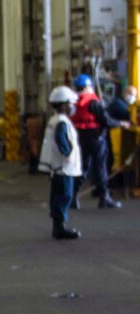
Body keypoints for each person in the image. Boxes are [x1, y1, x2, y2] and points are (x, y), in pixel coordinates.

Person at [71, 74, 130, 209]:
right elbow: (106, 120)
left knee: (83, 168)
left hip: (82, 138)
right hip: (97, 139)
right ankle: (104, 197)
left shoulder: (76, 103)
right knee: (101, 168)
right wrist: (121, 123)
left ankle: (73, 197)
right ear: (86, 87)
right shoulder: (93, 102)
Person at [38, 87, 83, 240]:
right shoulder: (62, 122)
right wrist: (68, 154)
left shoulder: (55, 119)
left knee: (59, 195)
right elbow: (62, 142)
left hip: (58, 166)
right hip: (63, 167)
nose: (73, 106)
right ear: (63, 105)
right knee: (64, 195)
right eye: (71, 103)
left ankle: (58, 226)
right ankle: (60, 227)